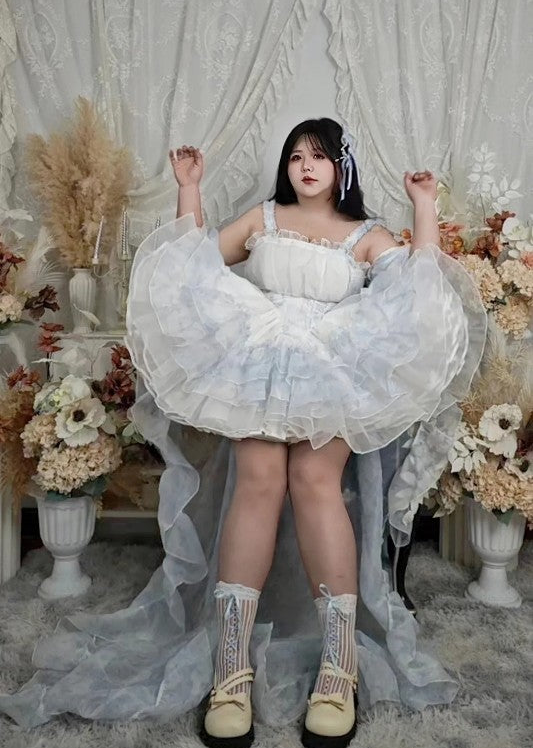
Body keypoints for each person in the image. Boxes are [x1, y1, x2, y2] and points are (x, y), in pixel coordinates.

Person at [0, 119, 486, 747]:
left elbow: (420, 292)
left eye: (319, 157)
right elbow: (194, 266)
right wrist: (189, 188)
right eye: (295, 157)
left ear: (342, 166)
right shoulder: (263, 217)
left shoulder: (367, 235)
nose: (305, 167)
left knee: (315, 480)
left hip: (331, 367)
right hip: (258, 363)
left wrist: (425, 207)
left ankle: (340, 668)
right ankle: (231, 667)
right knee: (259, 478)